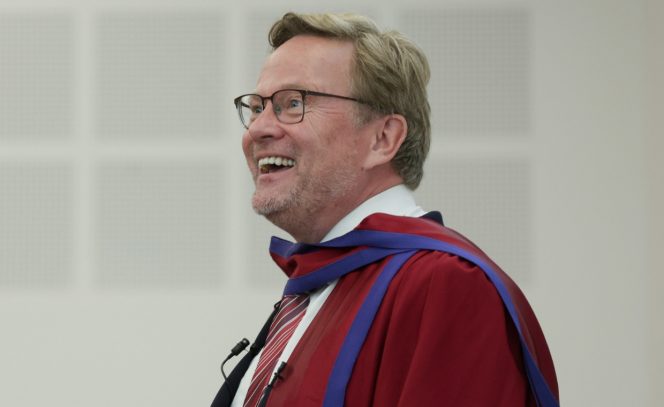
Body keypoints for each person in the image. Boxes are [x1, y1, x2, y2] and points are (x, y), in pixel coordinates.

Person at [212, 11, 559, 407]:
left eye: (293, 103)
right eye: (257, 107)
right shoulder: (315, 289)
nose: (258, 128)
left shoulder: (446, 287)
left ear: (383, 137)